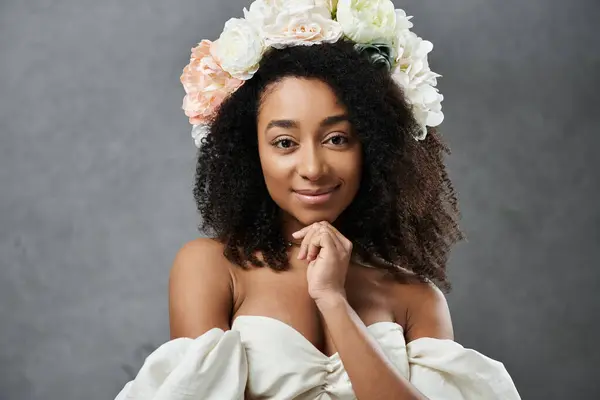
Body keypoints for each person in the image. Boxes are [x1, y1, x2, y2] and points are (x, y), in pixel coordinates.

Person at [115, 1, 520, 399]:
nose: (312, 167)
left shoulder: (416, 296)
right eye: (285, 142)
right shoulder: (214, 269)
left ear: (374, 148)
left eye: (337, 139)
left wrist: (334, 300)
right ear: (250, 151)